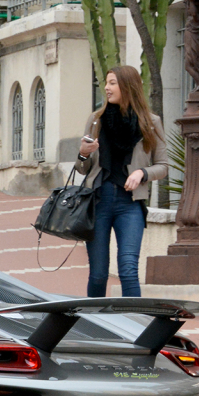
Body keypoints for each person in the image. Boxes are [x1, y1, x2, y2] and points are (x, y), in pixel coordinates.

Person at [75, 64, 168, 298]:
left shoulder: (150, 122)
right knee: (98, 273)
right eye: (106, 83)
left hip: (130, 204)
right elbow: (81, 168)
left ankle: (133, 327)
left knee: (128, 270)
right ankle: (95, 326)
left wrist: (142, 174)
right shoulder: (96, 121)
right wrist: (84, 153)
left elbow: (163, 166)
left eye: (112, 83)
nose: (106, 88)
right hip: (98, 202)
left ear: (128, 86)